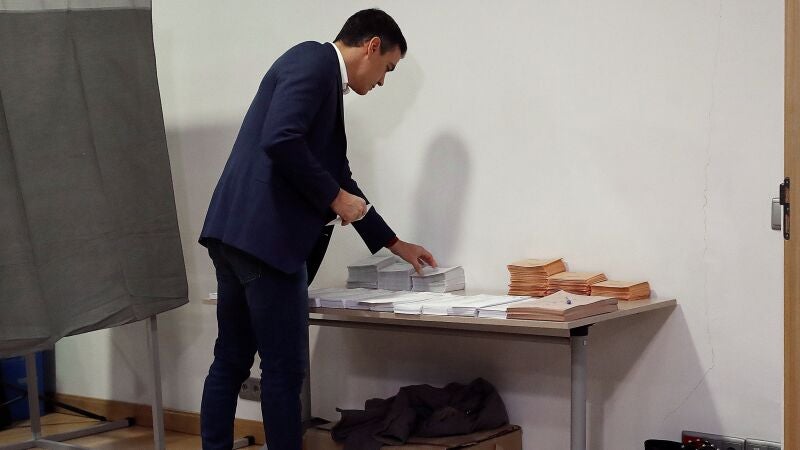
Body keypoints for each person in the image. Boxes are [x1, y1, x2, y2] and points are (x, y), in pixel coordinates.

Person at [197, 8, 437, 450]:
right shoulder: (313, 61)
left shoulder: (319, 75)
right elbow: (281, 138)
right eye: (388, 68)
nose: (383, 82)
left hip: (236, 234)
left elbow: (337, 173)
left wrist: (393, 242)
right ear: (372, 47)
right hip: (267, 242)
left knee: (230, 359)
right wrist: (335, 198)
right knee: (283, 370)